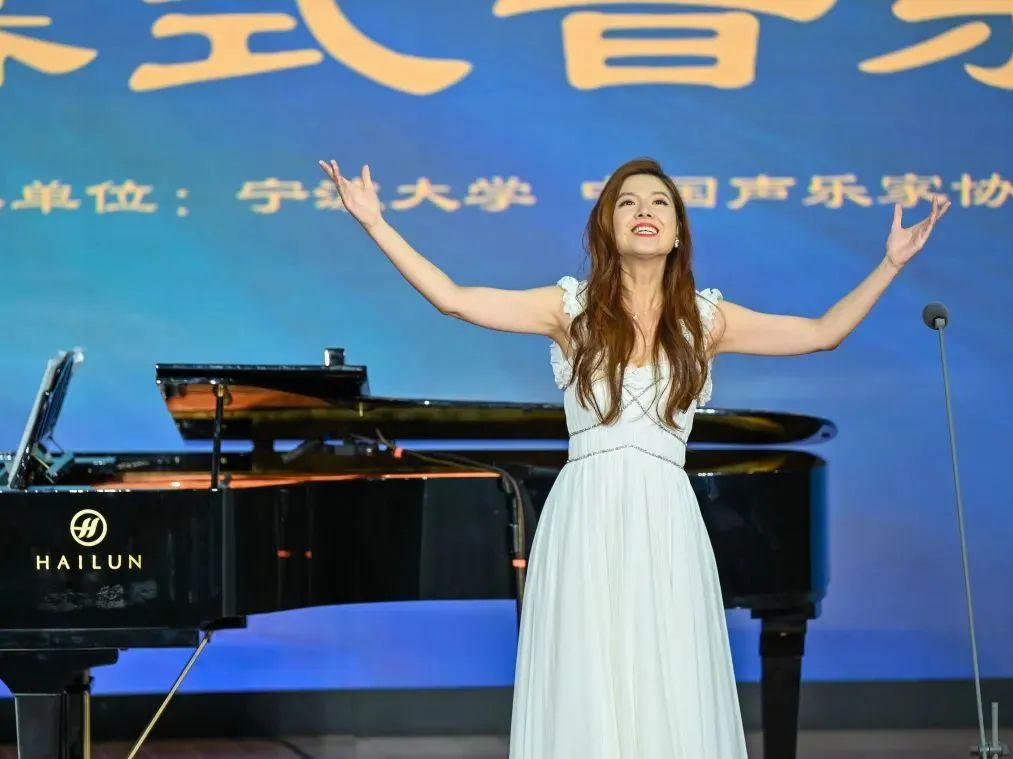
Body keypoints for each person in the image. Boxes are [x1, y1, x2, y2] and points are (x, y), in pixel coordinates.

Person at [318, 156, 950, 758]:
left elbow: (822, 333)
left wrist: (890, 263)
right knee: (588, 673)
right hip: (586, 510)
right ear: (607, 226)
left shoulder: (706, 320)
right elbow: (453, 297)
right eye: (627, 203)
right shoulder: (569, 308)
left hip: (665, 513)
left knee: (666, 671)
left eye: (658, 203)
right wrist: (376, 222)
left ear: (677, 232)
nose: (644, 211)